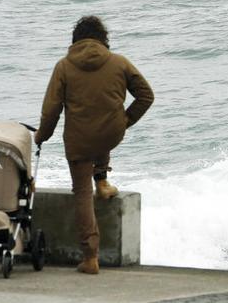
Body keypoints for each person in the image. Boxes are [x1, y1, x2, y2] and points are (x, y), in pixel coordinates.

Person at [34, 15, 154, 274]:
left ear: (75, 40)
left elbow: (51, 110)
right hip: (110, 133)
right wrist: (125, 121)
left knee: (81, 193)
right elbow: (146, 95)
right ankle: (102, 180)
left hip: (79, 139)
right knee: (103, 127)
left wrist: (41, 136)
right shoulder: (120, 63)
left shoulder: (64, 67)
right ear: (103, 39)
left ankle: (90, 257)